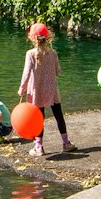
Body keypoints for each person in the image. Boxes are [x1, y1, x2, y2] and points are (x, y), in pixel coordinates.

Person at [19, 22, 75, 157]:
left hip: (36, 91)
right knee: (58, 116)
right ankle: (66, 143)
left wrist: (22, 88)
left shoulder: (30, 54)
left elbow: (26, 73)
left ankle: (39, 147)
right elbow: (58, 71)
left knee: (39, 118)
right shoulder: (53, 53)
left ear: (32, 38)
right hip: (52, 90)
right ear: (48, 37)